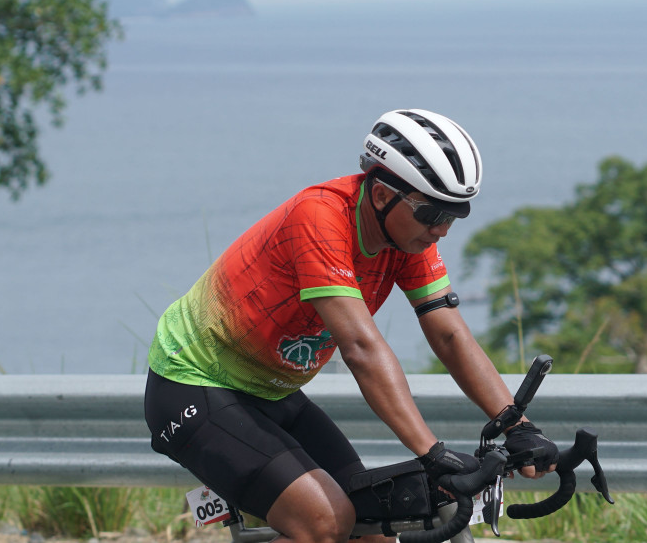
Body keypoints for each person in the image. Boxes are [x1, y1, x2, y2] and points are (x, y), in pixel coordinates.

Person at [144, 109, 557, 543]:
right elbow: (360, 348)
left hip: (272, 393)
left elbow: (450, 335)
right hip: (194, 384)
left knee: (374, 527)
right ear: (380, 195)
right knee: (324, 523)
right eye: (432, 212)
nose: (442, 230)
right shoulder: (319, 217)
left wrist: (517, 425)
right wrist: (430, 452)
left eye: (454, 215)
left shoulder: (407, 238)